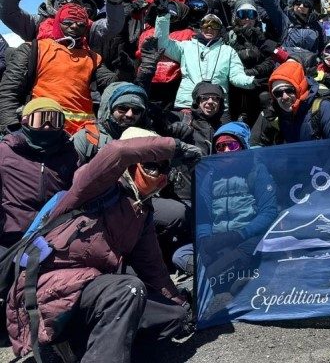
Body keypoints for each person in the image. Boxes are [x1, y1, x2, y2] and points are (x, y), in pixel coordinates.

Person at [4, 129, 202, 363]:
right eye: (151, 165)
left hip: (91, 292)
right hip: (47, 290)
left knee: (174, 317)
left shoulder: (141, 212)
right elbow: (116, 151)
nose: (159, 174)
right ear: (131, 164)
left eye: (164, 168)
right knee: (128, 287)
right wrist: (175, 146)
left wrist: (182, 305)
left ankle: (84, 346)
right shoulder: (90, 188)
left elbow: (155, 271)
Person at [173, 122, 278, 284]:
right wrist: (205, 241)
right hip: (218, 240)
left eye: (232, 145)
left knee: (261, 248)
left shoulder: (256, 170)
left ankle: (221, 274)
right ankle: (228, 271)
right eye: (220, 147)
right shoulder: (209, 176)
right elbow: (204, 215)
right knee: (180, 255)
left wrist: (240, 234)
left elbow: (269, 212)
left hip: (248, 237)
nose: (226, 151)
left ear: (242, 146)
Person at [0, 3, 112, 135]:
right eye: (68, 22)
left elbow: (110, 83)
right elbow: (9, 90)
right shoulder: (33, 49)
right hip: (41, 130)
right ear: (58, 23)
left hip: (83, 134)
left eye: (81, 24)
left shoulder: (93, 58)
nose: (75, 26)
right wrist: (12, 127)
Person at [0, 98, 79, 249]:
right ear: (25, 122)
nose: (47, 127)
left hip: (50, 239)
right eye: (40, 120)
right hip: (9, 239)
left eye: (54, 120)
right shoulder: (5, 151)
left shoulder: (69, 154)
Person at [153, 8, 259, 113]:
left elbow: (236, 76)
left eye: (215, 25)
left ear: (220, 30)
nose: (209, 28)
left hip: (217, 106)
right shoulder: (186, 46)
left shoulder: (228, 51)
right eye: (205, 24)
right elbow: (163, 44)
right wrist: (163, 17)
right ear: (200, 27)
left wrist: (252, 81)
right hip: (188, 104)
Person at [252, 59, 330, 144]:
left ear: (300, 88)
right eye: (278, 93)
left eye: (289, 90)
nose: (284, 97)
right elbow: (257, 144)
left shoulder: (324, 108)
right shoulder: (276, 114)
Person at [72, 82, 149, 163]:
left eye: (136, 110)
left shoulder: (146, 140)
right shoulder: (86, 138)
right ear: (109, 110)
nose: (129, 114)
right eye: (122, 108)